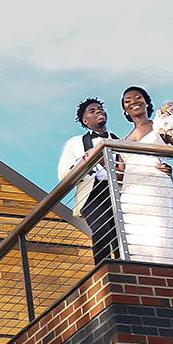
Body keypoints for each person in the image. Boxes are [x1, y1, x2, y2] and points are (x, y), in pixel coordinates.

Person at [117, 86, 173, 265]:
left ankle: (167, 269)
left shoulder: (159, 127)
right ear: (125, 110)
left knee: (159, 228)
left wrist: (170, 168)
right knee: (136, 232)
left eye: (138, 97)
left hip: (155, 184)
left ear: (146, 102)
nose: (134, 101)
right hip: (130, 193)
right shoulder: (122, 141)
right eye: (128, 101)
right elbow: (119, 174)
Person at [57, 98, 119, 262]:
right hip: (92, 193)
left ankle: (125, 268)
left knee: (120, 236)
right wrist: (82, 162)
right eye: (92, 111)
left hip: (117, 192)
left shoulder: (120, 141)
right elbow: (62, 174)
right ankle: (103, 269)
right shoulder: (74, 142)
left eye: (100, 108)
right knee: (100, 228)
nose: (98, 111)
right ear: (85, 121)